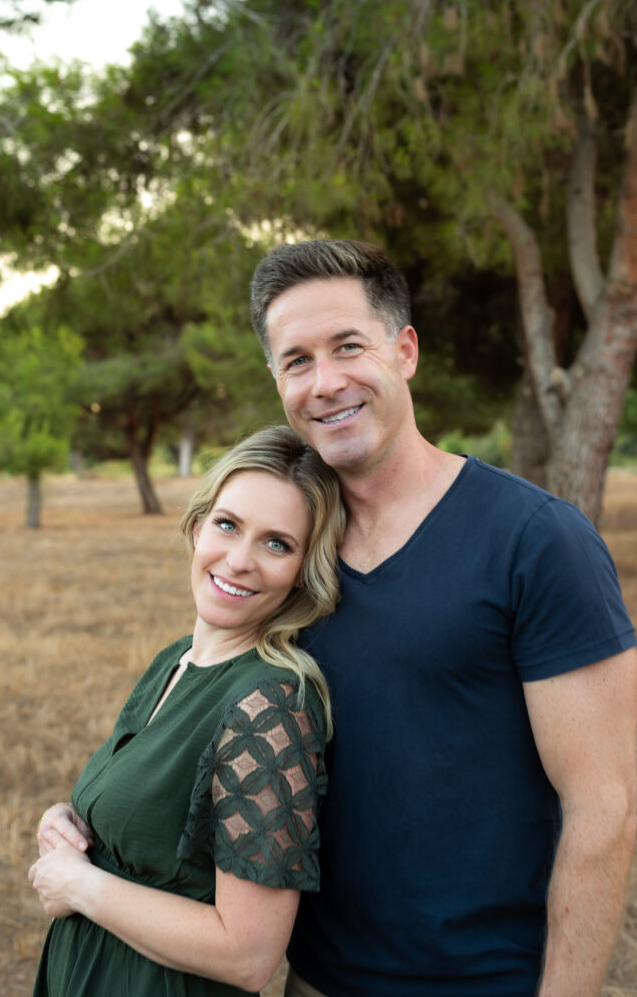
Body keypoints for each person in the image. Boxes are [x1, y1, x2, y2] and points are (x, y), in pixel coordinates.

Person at [248, 239, 637, 997]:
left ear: (405, 351)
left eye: (348, 347)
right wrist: (93, 817)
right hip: (317, 982)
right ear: (277, 380)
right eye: (297, 361)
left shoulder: (536, 541)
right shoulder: (290, 552)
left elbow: (604, 808)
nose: (325, 383)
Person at [28, 425, 346, 997]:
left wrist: (81, 888)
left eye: (278, 544)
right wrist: (75, 827)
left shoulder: (269, 706)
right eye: (228, 525)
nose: (240, 560)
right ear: (198, 526)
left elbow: (248, 953)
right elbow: (155, 817)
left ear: (304, 570)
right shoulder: (176, 660)